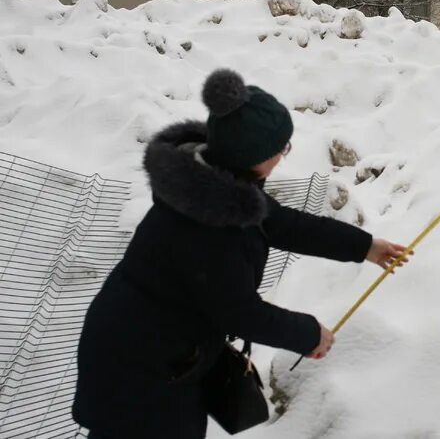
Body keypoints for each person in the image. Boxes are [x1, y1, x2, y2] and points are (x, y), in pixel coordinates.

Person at [72, 69, 410, 438]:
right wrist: (308, 333)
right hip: (139, 374)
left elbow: (283, 224)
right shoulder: (207, 226)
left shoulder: (216, 183)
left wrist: (365, 247)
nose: (284, 156)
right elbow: (240, 312)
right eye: (282, 149)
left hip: (159, 353)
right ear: (254, 157)